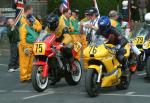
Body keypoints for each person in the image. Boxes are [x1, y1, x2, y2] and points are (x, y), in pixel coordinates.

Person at [19, 5, 42, 82]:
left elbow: (39, 27)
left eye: (32, 21)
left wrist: (34, 26)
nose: (32, 22)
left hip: (32, 45)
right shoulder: (24, 25)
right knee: (25, 62)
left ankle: (28, 76)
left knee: (30, 62)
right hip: (26, 46)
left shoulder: (31, 23)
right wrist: (25, 47)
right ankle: (24, 77)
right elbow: (22, 39)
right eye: (31, 21)